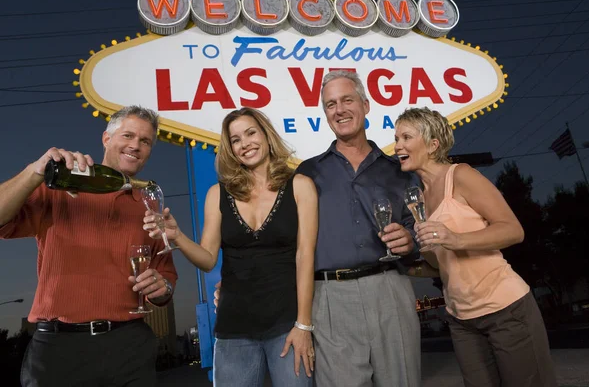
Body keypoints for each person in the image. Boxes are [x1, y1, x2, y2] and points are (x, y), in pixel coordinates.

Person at [0, 105, 177, 387]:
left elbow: (166, 275)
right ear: (106, 139)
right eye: (128, 135)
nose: (136, 145)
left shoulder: (150, 204)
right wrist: (34, 171)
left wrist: (162, 288)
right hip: (58, 351)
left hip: (130, 346)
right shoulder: (57, 186)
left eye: (145, 141)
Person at [143, 107, 318, 386]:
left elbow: (305, 256)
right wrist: (177, 236)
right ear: (230, 149)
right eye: (235, 139)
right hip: (233, 330)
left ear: (266, 134)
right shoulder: (217, 194)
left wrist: (303, 326)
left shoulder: (300, 186)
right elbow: (208, 259)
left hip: (287, 325)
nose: (245, 143)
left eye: (250, 133)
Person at [394, 107, 557, 387]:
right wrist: (402, 264)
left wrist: (456, 239)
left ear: (433, 144)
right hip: (461, 319)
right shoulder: (417, 198)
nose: (397, 146)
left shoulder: (461, 176)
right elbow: (440, 264)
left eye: (406, 137)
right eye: (396, 138)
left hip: (505, 308)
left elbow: (512, 230)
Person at [294, 70, 422, 387]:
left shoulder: (399, 170)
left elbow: (418, 230)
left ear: (365, 105)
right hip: (329, 297)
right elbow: (292, 243)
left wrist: (410, 241)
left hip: (389, 290)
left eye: (347, 100)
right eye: (330, 104)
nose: (339, 110)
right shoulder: (307, 172)